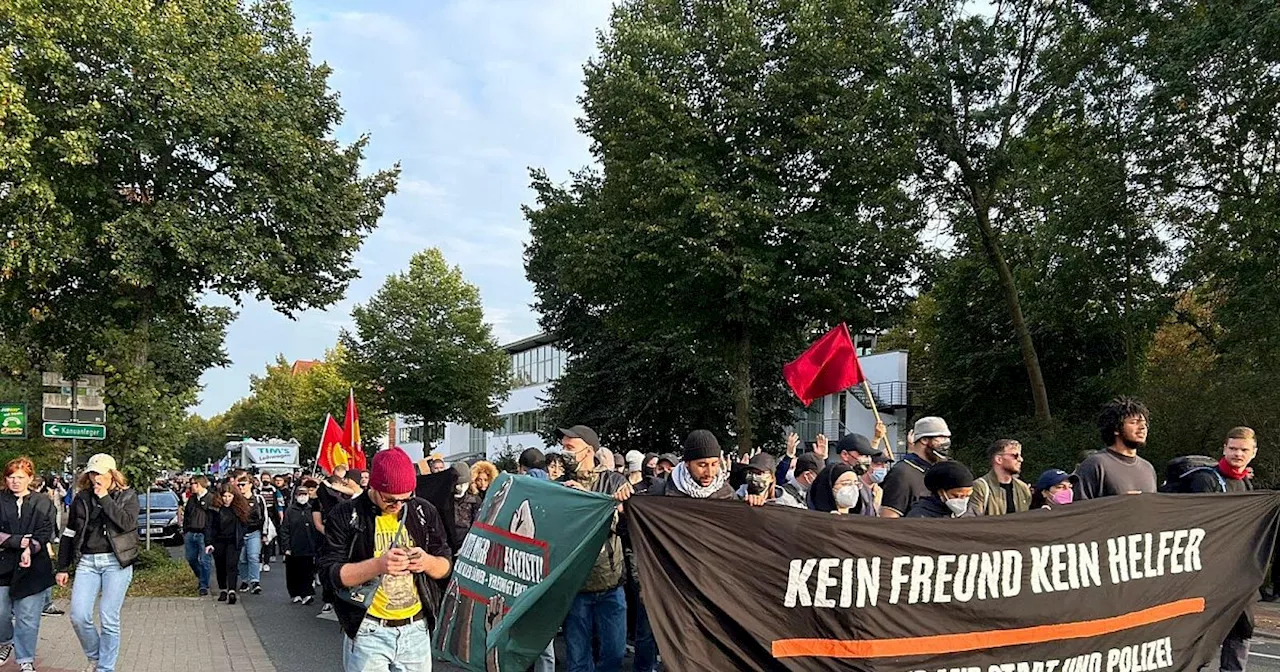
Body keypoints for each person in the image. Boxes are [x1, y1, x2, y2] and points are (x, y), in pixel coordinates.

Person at [317, 447, 452, 672]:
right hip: (368, 629)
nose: (398, 505)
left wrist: (426, 562)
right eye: (390, 500)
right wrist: (379, 565)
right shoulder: (346, 515)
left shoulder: (422, 510)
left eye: (405, 498)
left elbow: (446, 566)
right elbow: (329, 574)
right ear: (373, 486)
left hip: (416, 629)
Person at [558, 425, 634, 672]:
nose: (564, 453)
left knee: (614, 654)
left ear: (588, 450)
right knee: (577, 659)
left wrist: (590, 502)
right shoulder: (560, 485)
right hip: (575, 586)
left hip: (610, 584)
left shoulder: (614, 481)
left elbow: (626, 527)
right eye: (563, 447)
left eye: (570, 448)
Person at [56, 454, 139, 672]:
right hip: (88, 562)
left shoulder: (128, 496)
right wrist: (62, 567)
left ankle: (105, 668)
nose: (96, 478)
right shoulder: (82, 498)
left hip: (116, 562)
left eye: (100, 473)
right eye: (93, 473)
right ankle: (96, 657)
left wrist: (104, 498)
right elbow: (69, 532)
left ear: (112, 475)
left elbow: (126, 524)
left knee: (108, 617)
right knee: (79, 615)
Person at [1185, 427, 1257, 672]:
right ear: (1224, 449)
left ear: (1253, 453)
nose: (1238, 454)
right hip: (1209, 573)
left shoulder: (1247, 483)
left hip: (1237, 574)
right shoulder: (1206, 480)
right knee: (1201, 636)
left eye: (1244, 450)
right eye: (1233, 448)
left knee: (1241, 631)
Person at [0, 457, 57, 672]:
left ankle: (25, 659)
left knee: (27, 617)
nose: (15, 481)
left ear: (30, 478)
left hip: (34, 567)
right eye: (11, 477)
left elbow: (45, 532)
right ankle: (5, 641)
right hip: (3, 565)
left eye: (21, 477)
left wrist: (29, 547)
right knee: (1, 612)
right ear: (6, 479)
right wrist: (19, 541)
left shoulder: (43, 502)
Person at [1075, 397, 1158, 499]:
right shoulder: (1096, 465)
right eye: (1134, 422)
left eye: (1144, 424)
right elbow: (1080, 510)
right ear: (1116, 429)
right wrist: (1118, 505)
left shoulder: (1148, 468)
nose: (1142, 428)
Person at [881, 417, 953, 518]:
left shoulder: (937, 472)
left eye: (947, 438)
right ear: (924, 439)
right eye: (941, 437)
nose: (946, 443)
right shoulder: (902, 473)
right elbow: (889, 519)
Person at [205, 483, 248, 605]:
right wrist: (208, 542)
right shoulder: (214, 509)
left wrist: (241, 535)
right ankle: (223, 589)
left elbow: (245, 524)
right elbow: (208, 527)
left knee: (232, 565)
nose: (227, 499)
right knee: (220, 565)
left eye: (230, 496)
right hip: (218, 541)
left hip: (233, 540)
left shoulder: (239, 509)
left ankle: (232, 591)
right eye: (225, 496)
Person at [660, 431, 736, 500]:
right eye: (702, 465)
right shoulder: (662, 491)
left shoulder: (728, 494)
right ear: (687, 463)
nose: (709, 473)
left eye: (714, 464)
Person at [280, 480, 319, 605]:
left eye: (305, 494)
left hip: (309, 547)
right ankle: (295, 593)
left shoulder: (312, 510)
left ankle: (307, 593)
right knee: (293, 571)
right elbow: (285, 529)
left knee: (307, 571)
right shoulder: (290, 511)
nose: (302, 497)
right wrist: (286, 546)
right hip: (293, 546)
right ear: (296, 496)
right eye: (300, 495)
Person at [970, 439, 1031, 516]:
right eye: (1015, 456)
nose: (1020, 459)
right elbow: (972, 522)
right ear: (999, 459)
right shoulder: (980, 487)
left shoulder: (1023, 488)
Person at [906, 461, 979, 518]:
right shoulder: (919, 515)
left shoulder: (969, 514)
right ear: (941, 492)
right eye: (957, 496)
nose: (963, 501)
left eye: (967, 496)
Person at [181, 476, 214, 596]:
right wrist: (185, 530)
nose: (191, 486)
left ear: (199, 484)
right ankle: (202, 577)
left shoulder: (211, 498)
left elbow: (212, 515)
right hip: (191, 532)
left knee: (205, 560)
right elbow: (187, 515)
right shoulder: (192, 499)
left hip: (204, 534)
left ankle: (204, 585)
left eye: (193, 484)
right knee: (191, 558)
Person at [234, 476, 267, 595]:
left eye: (243, 484)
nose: (241, 487)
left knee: (253, 556)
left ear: (250, 485)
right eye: (239, 485)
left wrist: (264, 533)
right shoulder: (236, 500)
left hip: (254, 531)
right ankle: (244, 580)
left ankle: (255, 581)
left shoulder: (258, 499)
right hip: (240, 532)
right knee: (242, 559)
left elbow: (264, 516)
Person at [451, 463, 480, 553]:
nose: (460, 488)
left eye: (464, 484)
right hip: (447, 547)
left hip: (468, 545)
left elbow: (477, 526)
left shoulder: (475, 500)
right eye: (457, 484)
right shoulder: (443, 501)